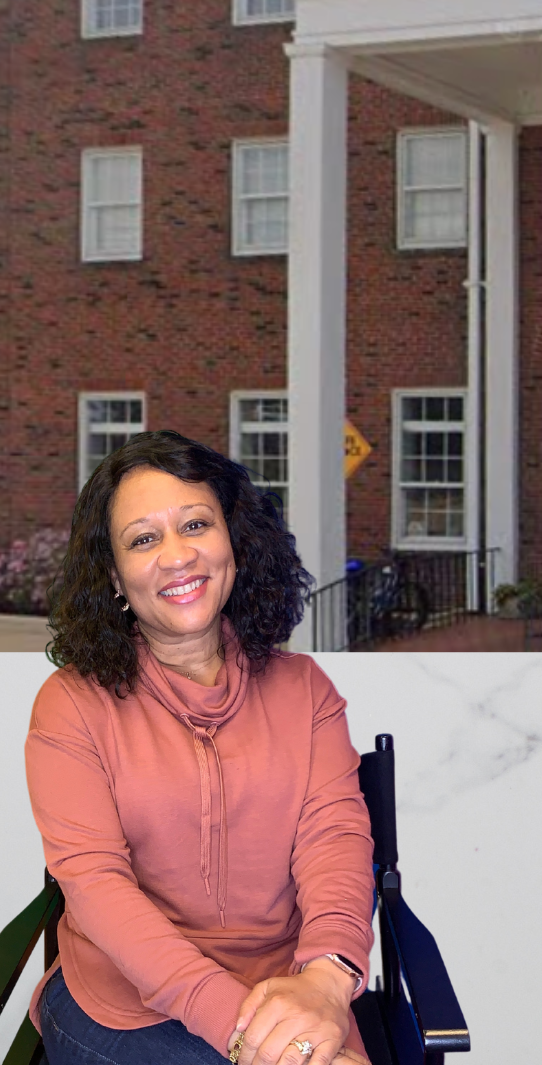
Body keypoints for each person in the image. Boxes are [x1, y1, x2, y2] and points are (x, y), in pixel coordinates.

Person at [26, 431, 376, 1065]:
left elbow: (335, 843)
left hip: (289, 991)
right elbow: (98, 888)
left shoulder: (306, 692)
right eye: (143, 539)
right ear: (114, 575)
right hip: (124, 1002)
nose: (177, 555)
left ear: (233, 543)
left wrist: (326, 982)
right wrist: (250, 1038)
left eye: (195, 524)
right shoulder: (71, 704)